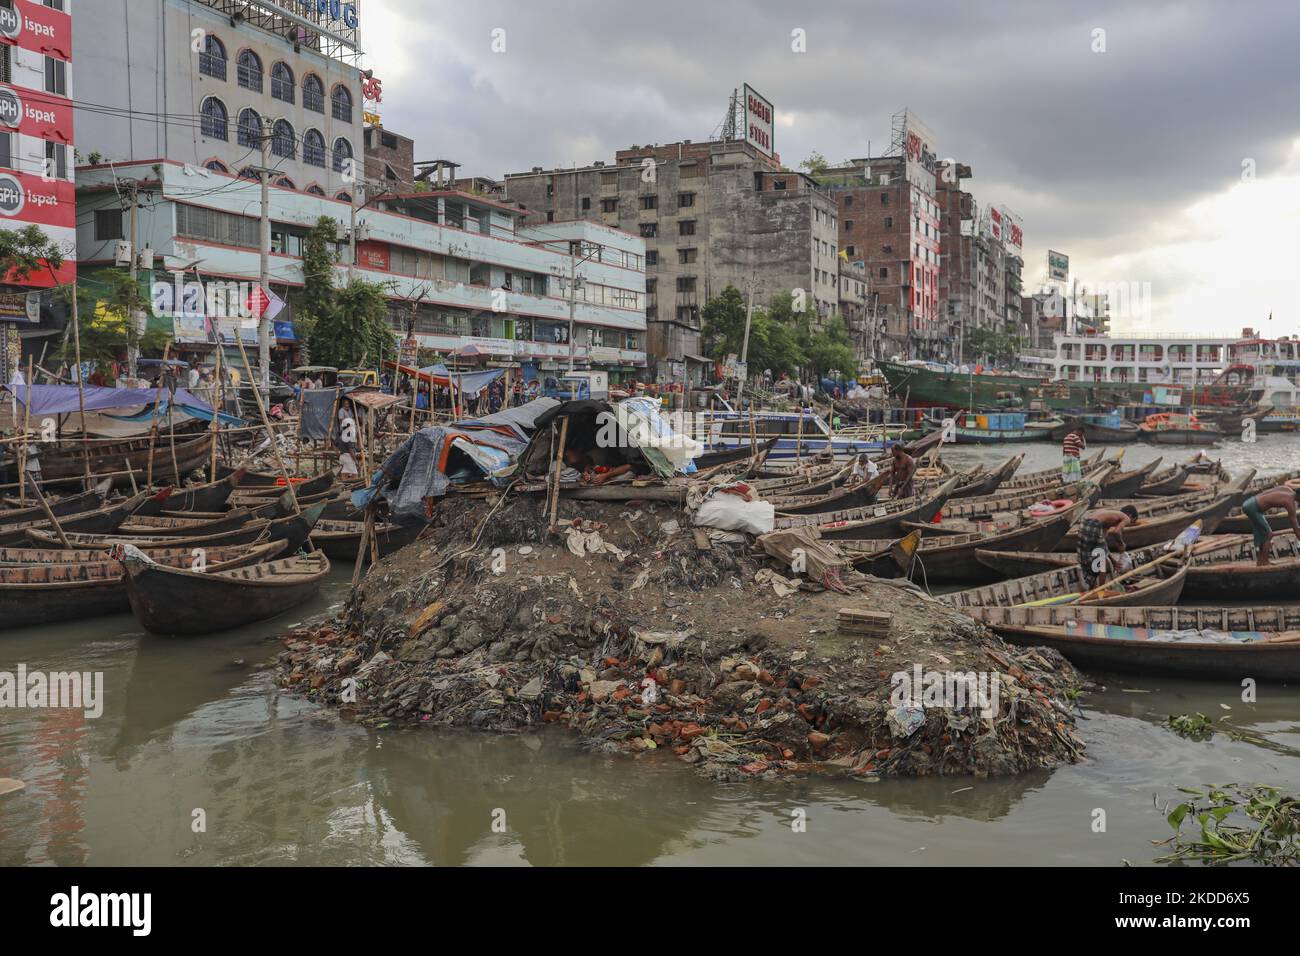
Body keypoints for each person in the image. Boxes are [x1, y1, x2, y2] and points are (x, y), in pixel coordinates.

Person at [1075, 505, 1140, 589]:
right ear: (1130, 515)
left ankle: (1092, 586)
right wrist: (1121, 543)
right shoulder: (1126, 517)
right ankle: (1102, 589)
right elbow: (1116, 532)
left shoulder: (1108, 518)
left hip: (1083, 525)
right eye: (1131, 521)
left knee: (1088, 556)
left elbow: (1104, 546)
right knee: (1102, 562)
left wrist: (1113, 561)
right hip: (1094, 526)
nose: (1127, 524)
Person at [1240, 484, 1300, 566]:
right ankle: (1264, 561)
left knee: (1263, 534)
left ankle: (1260, 561)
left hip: (1250, 502)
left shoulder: (1287, 489)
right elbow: (1295, 527)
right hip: (1253, 508)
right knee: (1269, 534)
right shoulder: (1289, 502)